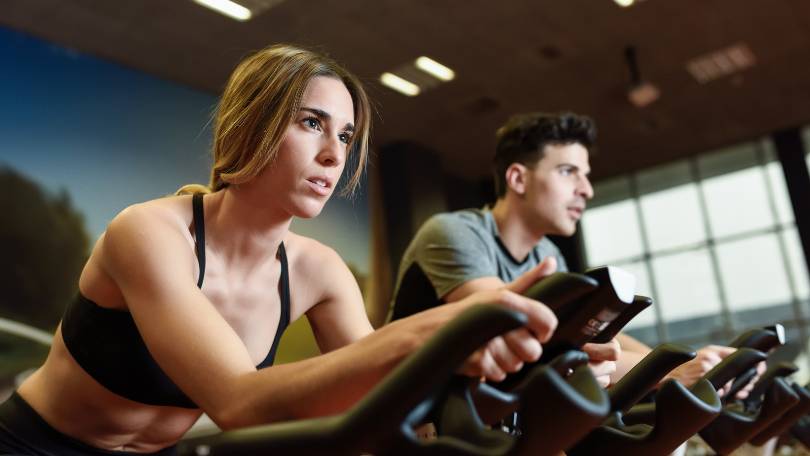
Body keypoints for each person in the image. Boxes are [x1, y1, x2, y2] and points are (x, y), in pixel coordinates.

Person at [0, 44, 558, 455]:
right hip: (33, 445)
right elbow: (240, 403)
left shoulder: (319, 270)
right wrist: (443, 326)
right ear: (252, 127)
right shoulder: (147, 233)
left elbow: (382, 399)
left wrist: (511, 372)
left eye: (344, 136)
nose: (334, 155)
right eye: (312, 123)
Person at [388, 111, 748, 391]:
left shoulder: (548, 255)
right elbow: (526, 337)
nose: (586, 190)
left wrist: (683, 361)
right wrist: (669, 373)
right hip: (410, 416)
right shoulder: (454, 232)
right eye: (568, 172)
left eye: (586, 175)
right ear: (518, 179)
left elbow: (595, 332)